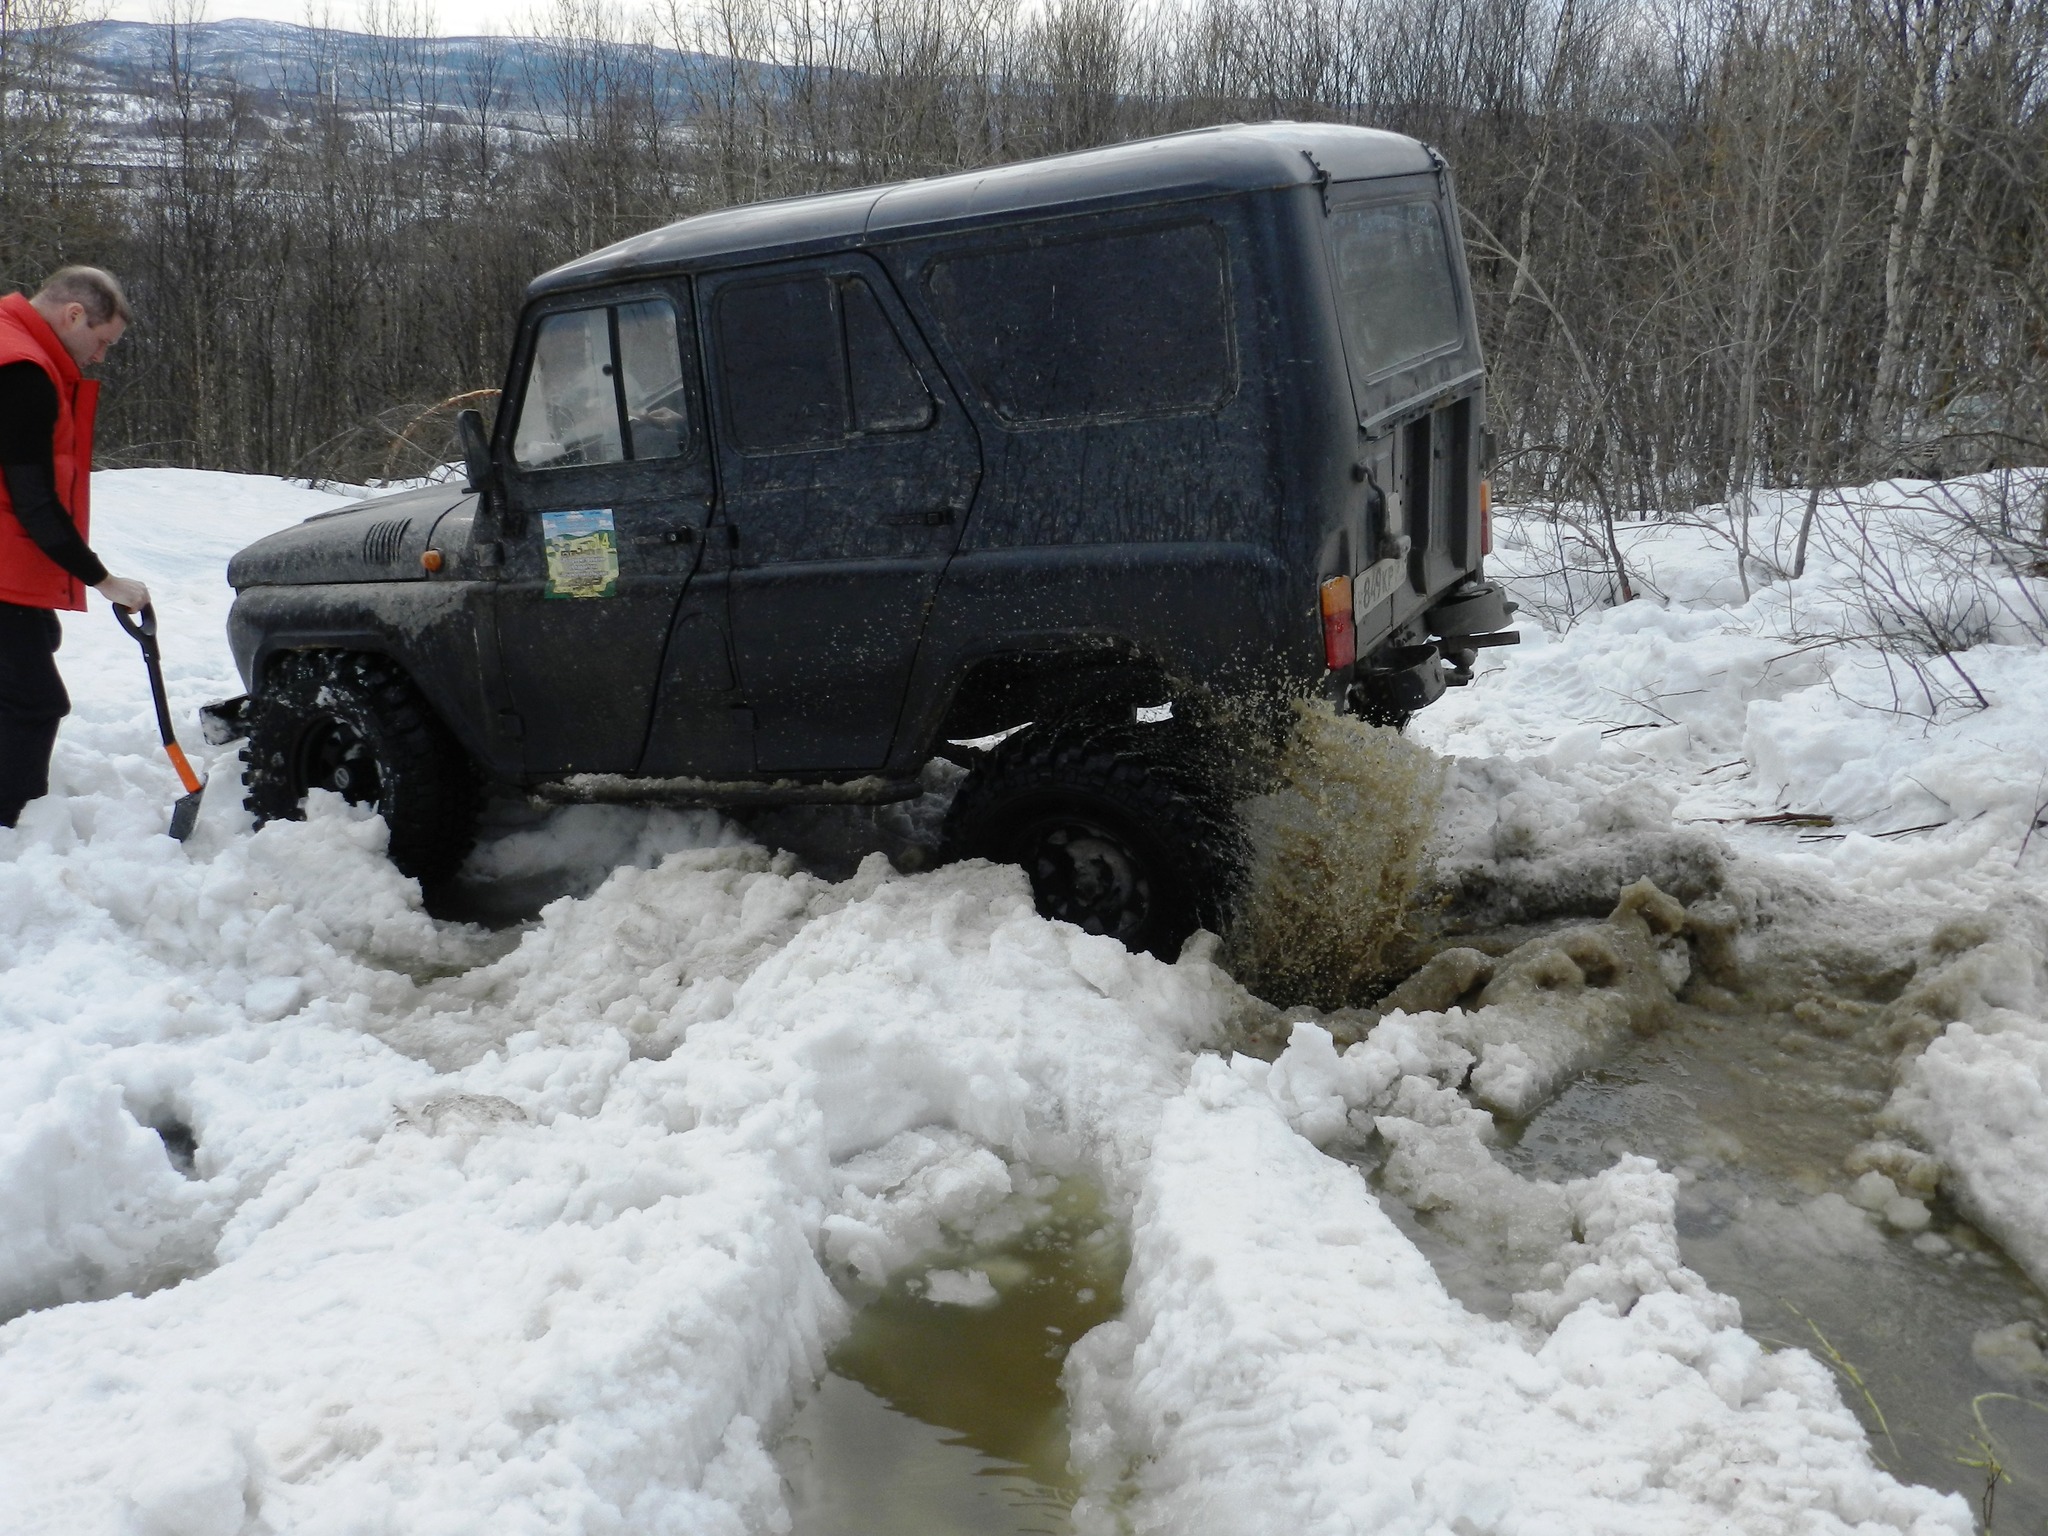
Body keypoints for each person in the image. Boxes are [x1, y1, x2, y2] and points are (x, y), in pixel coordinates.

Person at [0, 266, 150, 828]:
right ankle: (13, 830)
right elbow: (34, 501)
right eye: (102, 341)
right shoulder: (23, 373)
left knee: (36, 640)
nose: (100, 357)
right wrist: (103, 580)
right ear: (73, 315)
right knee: (35, 701)